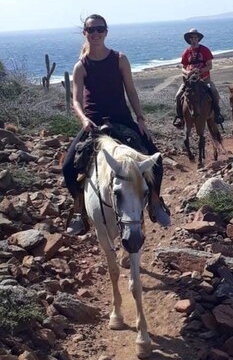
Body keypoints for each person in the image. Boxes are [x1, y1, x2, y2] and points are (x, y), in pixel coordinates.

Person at [62, 14, 171, 235]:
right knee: (67, 167)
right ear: (85, 33)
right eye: (91, 30)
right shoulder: (81, 66)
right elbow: (75, 99)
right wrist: (84, 120)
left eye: (99, 29)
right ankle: (79, 211)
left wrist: (140, 119)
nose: (95, 33)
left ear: (106, 31)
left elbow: (130, 90)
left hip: (121, 119)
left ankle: (155, 202)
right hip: (94, 123)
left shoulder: (120, 59)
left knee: (156, 160)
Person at [173, 28, 224, 128]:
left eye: (195, 37)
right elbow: (183, 68)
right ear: (189, 39)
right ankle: (180, 117)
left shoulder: (205, 50)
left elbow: (210, 66)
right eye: (191, 38)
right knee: (178, 96)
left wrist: (200, 71)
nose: (193, 39)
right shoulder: (186, 52)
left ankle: (217, 114)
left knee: (214, 93)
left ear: (198, 39)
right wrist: (187, 72)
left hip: (204, 79)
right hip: (190, 81)